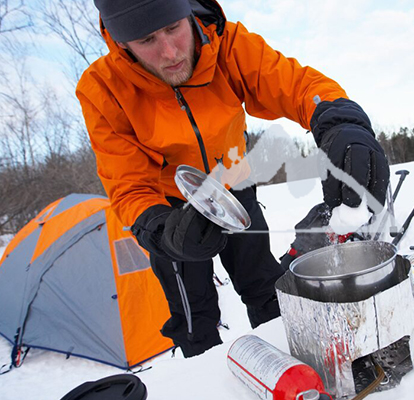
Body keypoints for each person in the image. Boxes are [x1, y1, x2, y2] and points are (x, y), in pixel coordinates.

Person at [77, 0, 389, 358]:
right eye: (147, 40)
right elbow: (127, 183)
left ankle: (290, 365)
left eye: (173, 28)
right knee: (194, 314)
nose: (170, 52)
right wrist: (159, 229)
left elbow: (295, 84)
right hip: (174, 211)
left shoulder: (225, 43)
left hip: (235, 188)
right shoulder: (102, 89)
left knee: (264, 287)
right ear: (122, 43)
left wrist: (339, 120)